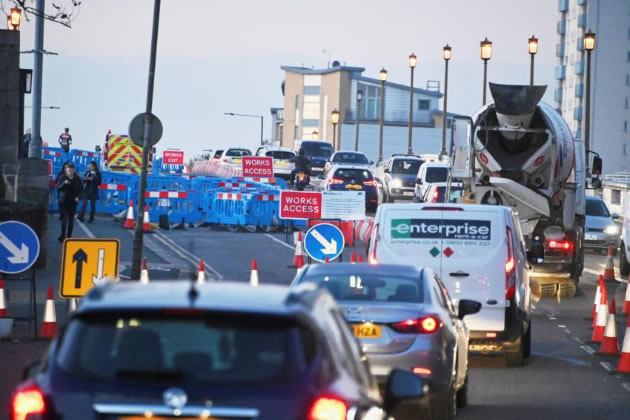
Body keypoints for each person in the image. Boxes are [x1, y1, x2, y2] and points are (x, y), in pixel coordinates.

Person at [56, 163, 83, 242]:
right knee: (64, 219)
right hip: (64, 201)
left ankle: (69, 237)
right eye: (68, 171)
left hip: (73, 202)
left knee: (71, 220)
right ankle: (62, 236)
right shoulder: (63, 177)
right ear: (66, 171)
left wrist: (78, 197)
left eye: (71, 171)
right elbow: (58, 188)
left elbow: (81, 190)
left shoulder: (77, 179)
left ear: (73, 170)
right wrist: (64, 183)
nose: (70, 172)